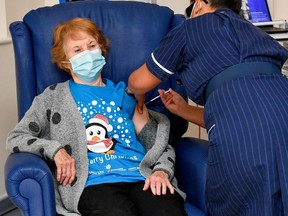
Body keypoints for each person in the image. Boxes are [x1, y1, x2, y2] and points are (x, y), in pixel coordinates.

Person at [6, 18, 187, 216]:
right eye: (77, 50)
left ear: (101, 49)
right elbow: (16, 138)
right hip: (92, 183)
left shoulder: (125, 95)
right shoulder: (53, 97)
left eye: (91, 45)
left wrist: (162, 171)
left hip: (140, 177)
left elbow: (157, 143)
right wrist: (55, 150)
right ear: (65, 62)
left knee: (167, 211)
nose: (87, 53)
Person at [128, 0, 288, 215]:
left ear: (200, 4)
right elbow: (252, 106)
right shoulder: (255, 32)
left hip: (245, 134)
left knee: (243, 201)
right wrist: (183, 110)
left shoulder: (190, 28)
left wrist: (137, 97)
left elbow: (138, 83)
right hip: (282, 101)